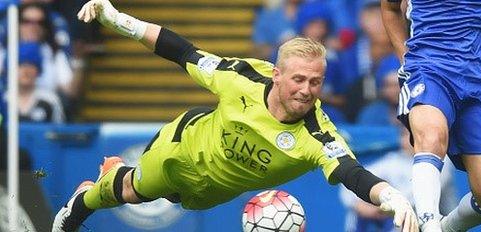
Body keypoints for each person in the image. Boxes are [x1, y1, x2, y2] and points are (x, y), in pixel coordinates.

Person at [52, 0, 418, 231]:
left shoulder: (317, 136)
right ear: (277, 74)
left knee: (158, 195)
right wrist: (116, 18)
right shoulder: (241, 77)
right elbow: (181, 51)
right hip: (182, 150)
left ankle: (111, 175)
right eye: (298, 79)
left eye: (316, 82)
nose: (307, 90)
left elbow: (353, 174)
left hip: (207, 192)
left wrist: (392, 197)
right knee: (133, 191)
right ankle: (81, 203)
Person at [381, 0, 481, 232]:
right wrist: (406, 59)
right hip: (427, 68)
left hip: (479, 74)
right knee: (431, 137)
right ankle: (429, 225)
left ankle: (445, 227)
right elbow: (389, 8)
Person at [340, 127, 457, 232]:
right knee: (358, 211)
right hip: (395, 213)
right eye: (403, 135)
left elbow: (419, 197)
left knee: (402, 213)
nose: (406, 140)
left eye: (411, 134)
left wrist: (384, 205)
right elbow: (354, 182)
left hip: (441, 224)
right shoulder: (393, 160)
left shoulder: (442, 160)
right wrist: (359, 205)